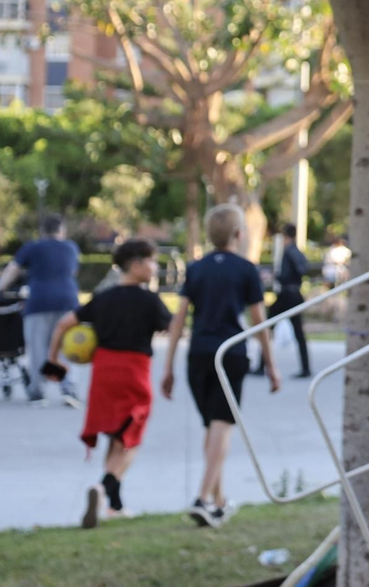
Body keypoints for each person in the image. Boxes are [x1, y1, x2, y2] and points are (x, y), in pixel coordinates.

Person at [160, 204, 281, 528]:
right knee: (222, 426)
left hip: (198, 353)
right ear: (239, 234)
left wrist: (168, 367)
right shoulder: (246, 270)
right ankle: (202, 497)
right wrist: (272, 365)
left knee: (213, 427)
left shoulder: (195, 269)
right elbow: (259, 322)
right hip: (230, 353)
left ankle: (218, 501)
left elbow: (179, 319)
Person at [45, 238, 172, 528]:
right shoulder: (149, 300)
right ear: (137, 264)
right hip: (133, 371)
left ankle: (114, 505)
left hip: (103, 371)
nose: (155, 267)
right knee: (132, 438)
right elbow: (173, 326)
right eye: (152, 261)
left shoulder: (103, 298)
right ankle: (103, 487)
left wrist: (55, 360)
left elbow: (65, 324)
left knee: (117, 436)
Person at [0, 215, 82, 408]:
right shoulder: (71, 247)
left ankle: (38, 391)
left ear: (42, 231)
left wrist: (0, 288)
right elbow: (72, 272)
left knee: (38, 349)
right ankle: (68, 387)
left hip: (39, 302)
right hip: (68, 302)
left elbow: (13, 269)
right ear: (61, 230)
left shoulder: (32, 247)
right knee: (64, 347)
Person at [262, 224, 311, 379]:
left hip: (287, 295)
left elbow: (293, 271)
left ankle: (260, 365)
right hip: (292, 295)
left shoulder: (289, 252)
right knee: (298, 333)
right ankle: (305, 367)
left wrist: (276, 276)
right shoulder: (296, 251)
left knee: (268, 327)